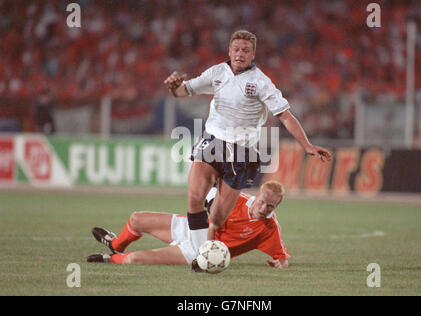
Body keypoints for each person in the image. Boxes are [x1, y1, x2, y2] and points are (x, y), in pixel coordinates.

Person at [163, 30, 331, 267]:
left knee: (218, 219)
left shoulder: (261, 82)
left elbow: (285, 115)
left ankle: (203, 246)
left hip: (242, 152)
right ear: (229, 51)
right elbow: (183, 91)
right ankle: (201, 256)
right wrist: (173, 87)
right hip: (212, 141)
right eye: (236, 49)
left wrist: (307, 145)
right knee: (194, 198)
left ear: (253, 54)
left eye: (245, 50)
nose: (240, 54)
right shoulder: (216, 72)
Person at [87, 181, 289, 269]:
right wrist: (211, 203)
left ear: (276, 206)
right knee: (136, 219)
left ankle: (111, 260)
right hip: (191, 228)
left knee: (135, 260)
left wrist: (279, 264)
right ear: (257, 195)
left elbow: (282, 258)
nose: (264, 208)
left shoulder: (269, 228)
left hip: (197, 250)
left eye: (270, 206)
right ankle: (116, 245)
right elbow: (210, 193)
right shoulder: (236, 199)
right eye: (262, 202)